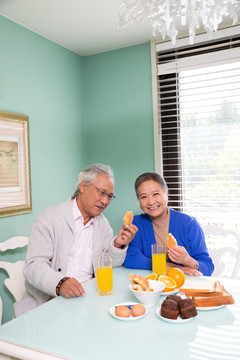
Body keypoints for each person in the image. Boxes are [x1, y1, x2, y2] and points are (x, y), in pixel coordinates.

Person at [14, 164, 138, 316]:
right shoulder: (49, 217)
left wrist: (118, 244)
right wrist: (60, 283)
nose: (105, 201)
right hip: (49, 303)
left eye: (110, 196)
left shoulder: (104, 225)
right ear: (83, 187)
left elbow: (108, 266)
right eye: (101, 193)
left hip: (87, 301)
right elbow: (33, 266)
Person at [124, 172, 214, 276]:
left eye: (156, 194)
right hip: (152, 286)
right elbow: (131, 259)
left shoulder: (189, 223)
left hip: (184, 285)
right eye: (144, 197)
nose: (151, 202)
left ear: (166, 193)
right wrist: (176, 268)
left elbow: (208, 268)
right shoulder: (136, 223)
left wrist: (187, 260)